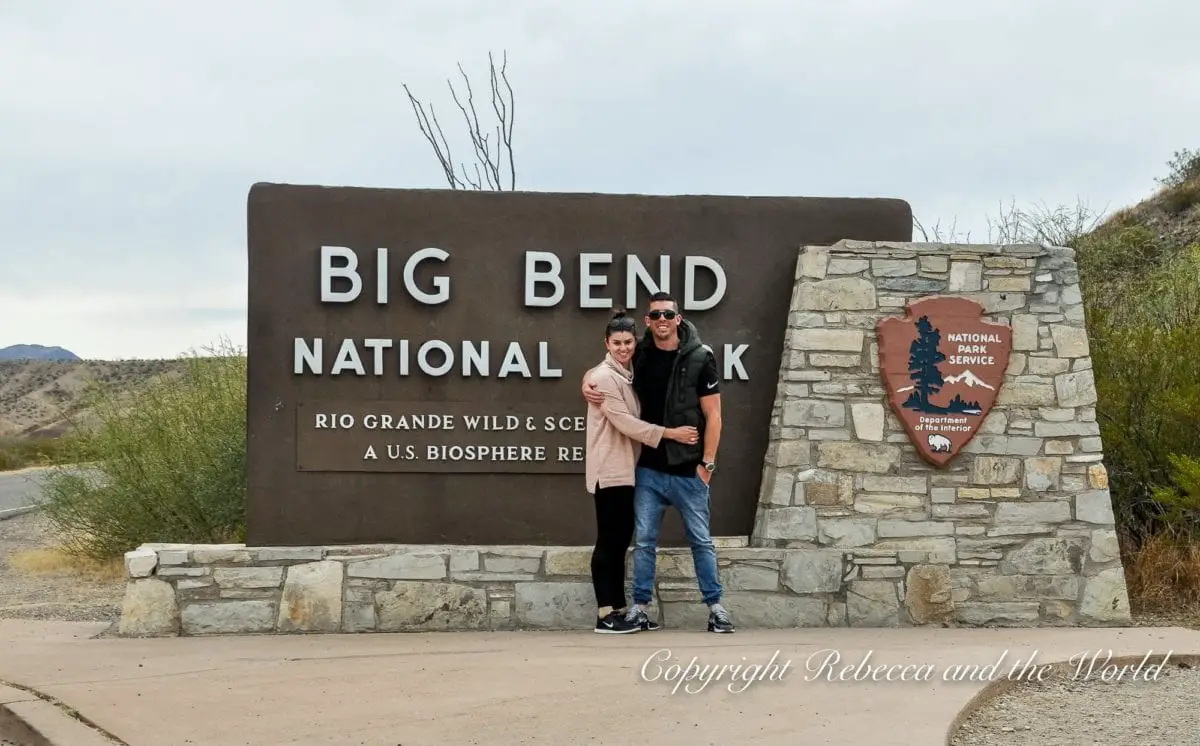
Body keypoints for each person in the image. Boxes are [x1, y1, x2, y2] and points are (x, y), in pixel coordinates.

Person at [582, 292, 735, 634]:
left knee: (700, 542)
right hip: (648, 471)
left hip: (688, 472)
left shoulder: (699, 357)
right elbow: (603, 375)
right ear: (648, 323)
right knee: (640, 542)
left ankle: (716, 609)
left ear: (678, 318)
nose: (662, 320)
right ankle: (633, 609)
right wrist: (586, 383)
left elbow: (714, 415)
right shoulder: (642, 355)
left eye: (668, 314)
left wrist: (707, 465)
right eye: (656, 316)